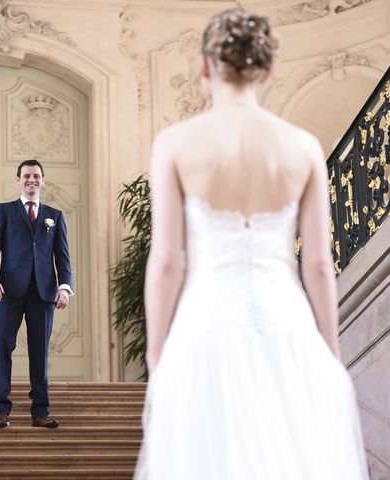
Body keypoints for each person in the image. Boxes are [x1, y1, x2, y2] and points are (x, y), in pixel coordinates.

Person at [135, 8, 369, 479]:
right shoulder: (302, 147)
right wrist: (330, 350)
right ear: (268, 71)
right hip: (286, 323)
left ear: (204, 67)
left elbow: (166, 263)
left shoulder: (176, 144)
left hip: (204, 325)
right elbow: (319, 266)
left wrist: (157, 353)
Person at [0, 159, 73, 429]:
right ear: (18, 179)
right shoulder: (4, 211)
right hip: (9, 290)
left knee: (39, 351)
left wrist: (65, 286)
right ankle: (1, 409)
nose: (31, 180)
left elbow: (63, 257)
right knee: (2, 346)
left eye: (36, 176)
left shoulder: (55, 216)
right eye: (26, 176)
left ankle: (41, 411)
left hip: (43, 293)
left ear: (43, 180)